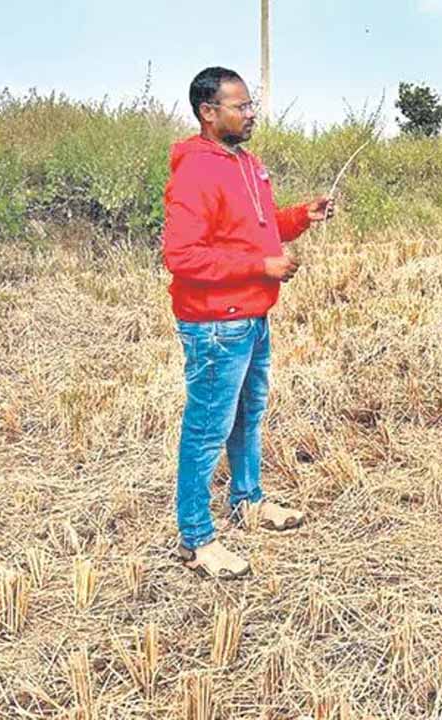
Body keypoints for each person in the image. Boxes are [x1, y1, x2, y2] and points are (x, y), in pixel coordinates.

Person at [162, 66, 335, 579]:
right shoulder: (196, 171)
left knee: (246, 418)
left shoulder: (246, 163)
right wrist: (262, 266)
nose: (251, 113)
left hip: (253, 318)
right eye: (240, 106)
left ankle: (248, 501)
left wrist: (302, 215)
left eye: (251, 104)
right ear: (208, 113)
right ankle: (196, 539)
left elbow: (261, 227)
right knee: (207, 429)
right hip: (216, 325)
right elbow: (182, 256)